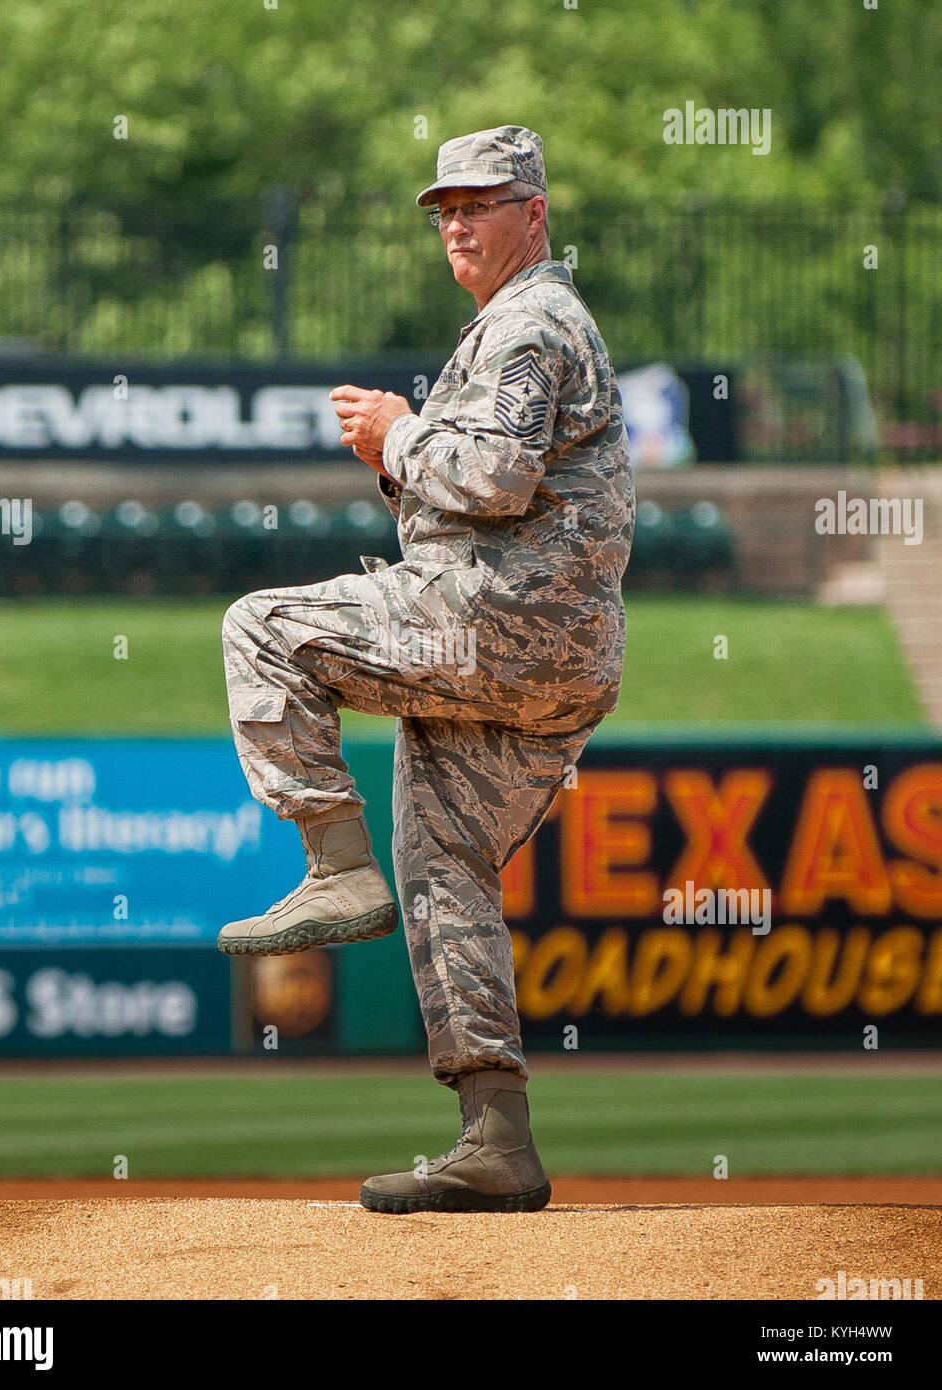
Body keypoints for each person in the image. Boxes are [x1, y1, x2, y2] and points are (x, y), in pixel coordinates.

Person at [218, 125, 633, 1213]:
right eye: (443, 206)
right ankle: (494, 1134)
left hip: (497, 624)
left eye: (478, 203)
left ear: (532, 213)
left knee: (262, 628)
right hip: (553, 653)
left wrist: (398, 433)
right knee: (444, 866)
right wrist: (396, 459)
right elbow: (486, 488)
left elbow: (492, 478)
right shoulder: (509, 326)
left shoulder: (533, 321)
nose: (454, 221)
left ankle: (333, 863)